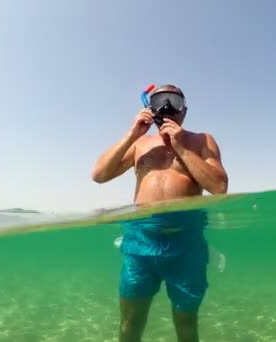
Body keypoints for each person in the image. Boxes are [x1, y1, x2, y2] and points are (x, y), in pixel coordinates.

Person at [91, 84, 228, 342]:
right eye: (159, 100)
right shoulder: (140, 144)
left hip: (187, 241)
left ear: (184, 111)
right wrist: (132, 134)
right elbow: (99, 175)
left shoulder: (201, 140)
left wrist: (181, 147)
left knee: (186, 322)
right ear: (149, 108)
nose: (166, 107)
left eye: (174, 101)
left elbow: (219, 187)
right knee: (131, 321)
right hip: (140, 239)